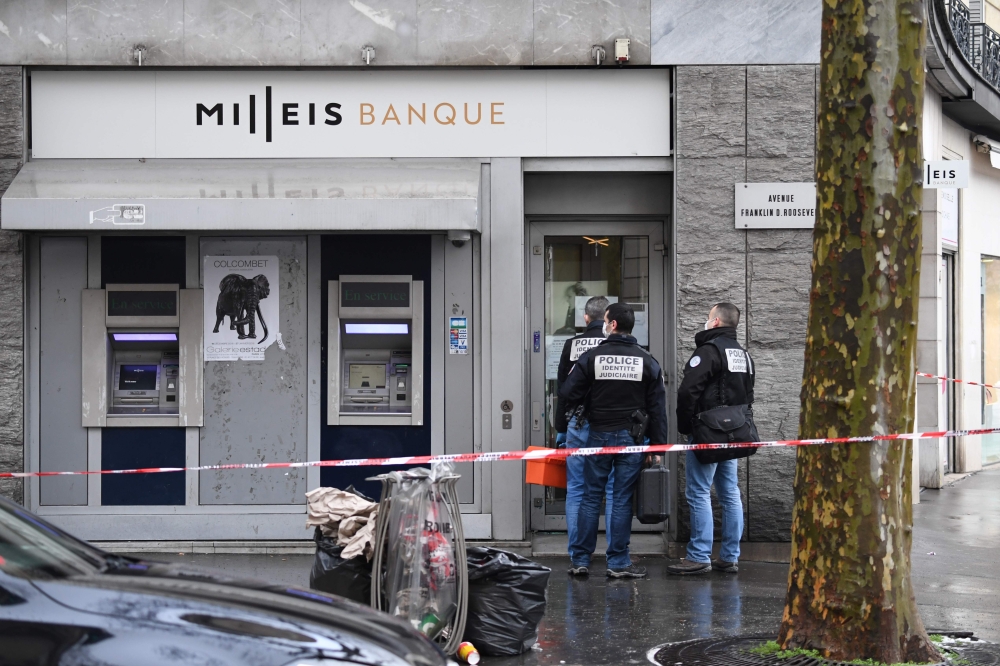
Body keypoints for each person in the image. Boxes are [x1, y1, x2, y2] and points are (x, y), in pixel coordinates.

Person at [559, 302, 669, 579]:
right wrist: (657, 445)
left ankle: (581, 560)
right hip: (631, 437)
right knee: (620, 499)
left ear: (613, 325)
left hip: (598, 435)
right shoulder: (647, 360)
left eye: (606, 321)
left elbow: (568, 392)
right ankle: (618, 563)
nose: (604, 325)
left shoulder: (592, 357)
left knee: (590, 496)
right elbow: (657, 407)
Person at [668, 302, 754, 575]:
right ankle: (730, 556)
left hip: (707, 431)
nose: (706, 321)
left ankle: (699, 555)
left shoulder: (708, 351)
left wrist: (686, 426)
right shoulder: (743, 354)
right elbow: (748, 396)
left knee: (698, 491)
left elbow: (687, 392)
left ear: (715, 322)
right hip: (734, 432)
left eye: (708, 317)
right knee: (730, 493)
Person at [554, 296, 614, 560]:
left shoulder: (572, 344)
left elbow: (563, 390)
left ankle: (577, 554)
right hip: (611, 425)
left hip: (577, 423)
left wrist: (561, 429)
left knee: (577, 488)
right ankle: (615, 553)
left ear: (586, 318)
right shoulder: (615, 344)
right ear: (610, 320)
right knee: (612, 489)